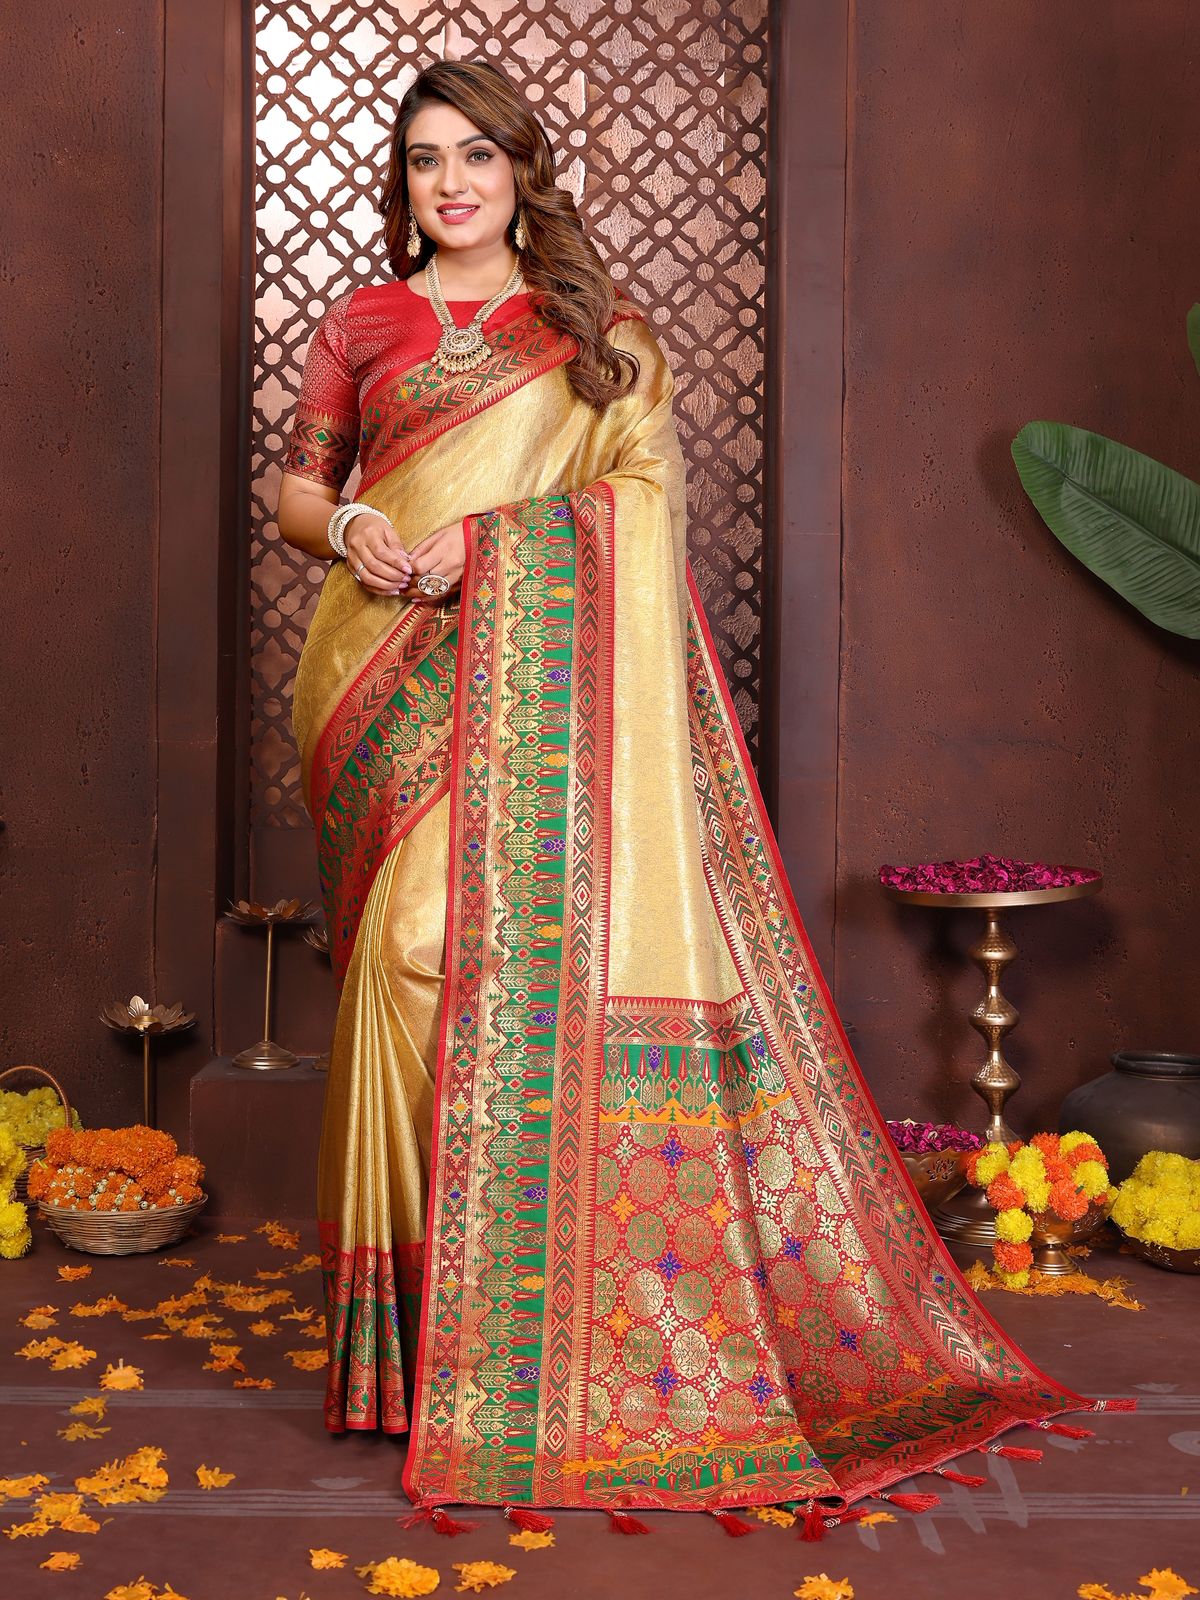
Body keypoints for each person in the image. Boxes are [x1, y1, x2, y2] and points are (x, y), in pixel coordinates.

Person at [277, 57, 1095, 1528]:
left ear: (522, 171)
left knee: (452, 956)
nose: (450, 182)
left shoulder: (596, 336)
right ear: (402, 181)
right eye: (425, 158)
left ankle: (494, 1322)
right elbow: (298, 489)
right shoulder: (365, 324)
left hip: (529, 688)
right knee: (394, 970)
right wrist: (347, 527)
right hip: (377, 679)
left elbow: (645, 504)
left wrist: (498, 544)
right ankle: (404, 1334)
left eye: (477, 155)